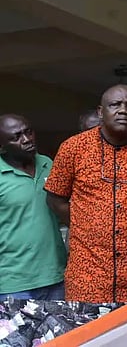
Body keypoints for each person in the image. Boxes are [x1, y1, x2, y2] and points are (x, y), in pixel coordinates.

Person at [45, 85, 127, 303]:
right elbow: (55, 198)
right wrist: (86, 224)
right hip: (88, 275)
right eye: (115, 105)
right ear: (100, 112)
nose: (123, 110)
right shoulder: (73, 148)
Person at [0, 114, 67, 301]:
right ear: (1, 147)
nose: (26, 139)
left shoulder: (48, 164)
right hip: (13, 284)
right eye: (16, 137)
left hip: (56, 277)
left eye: (28, 132)